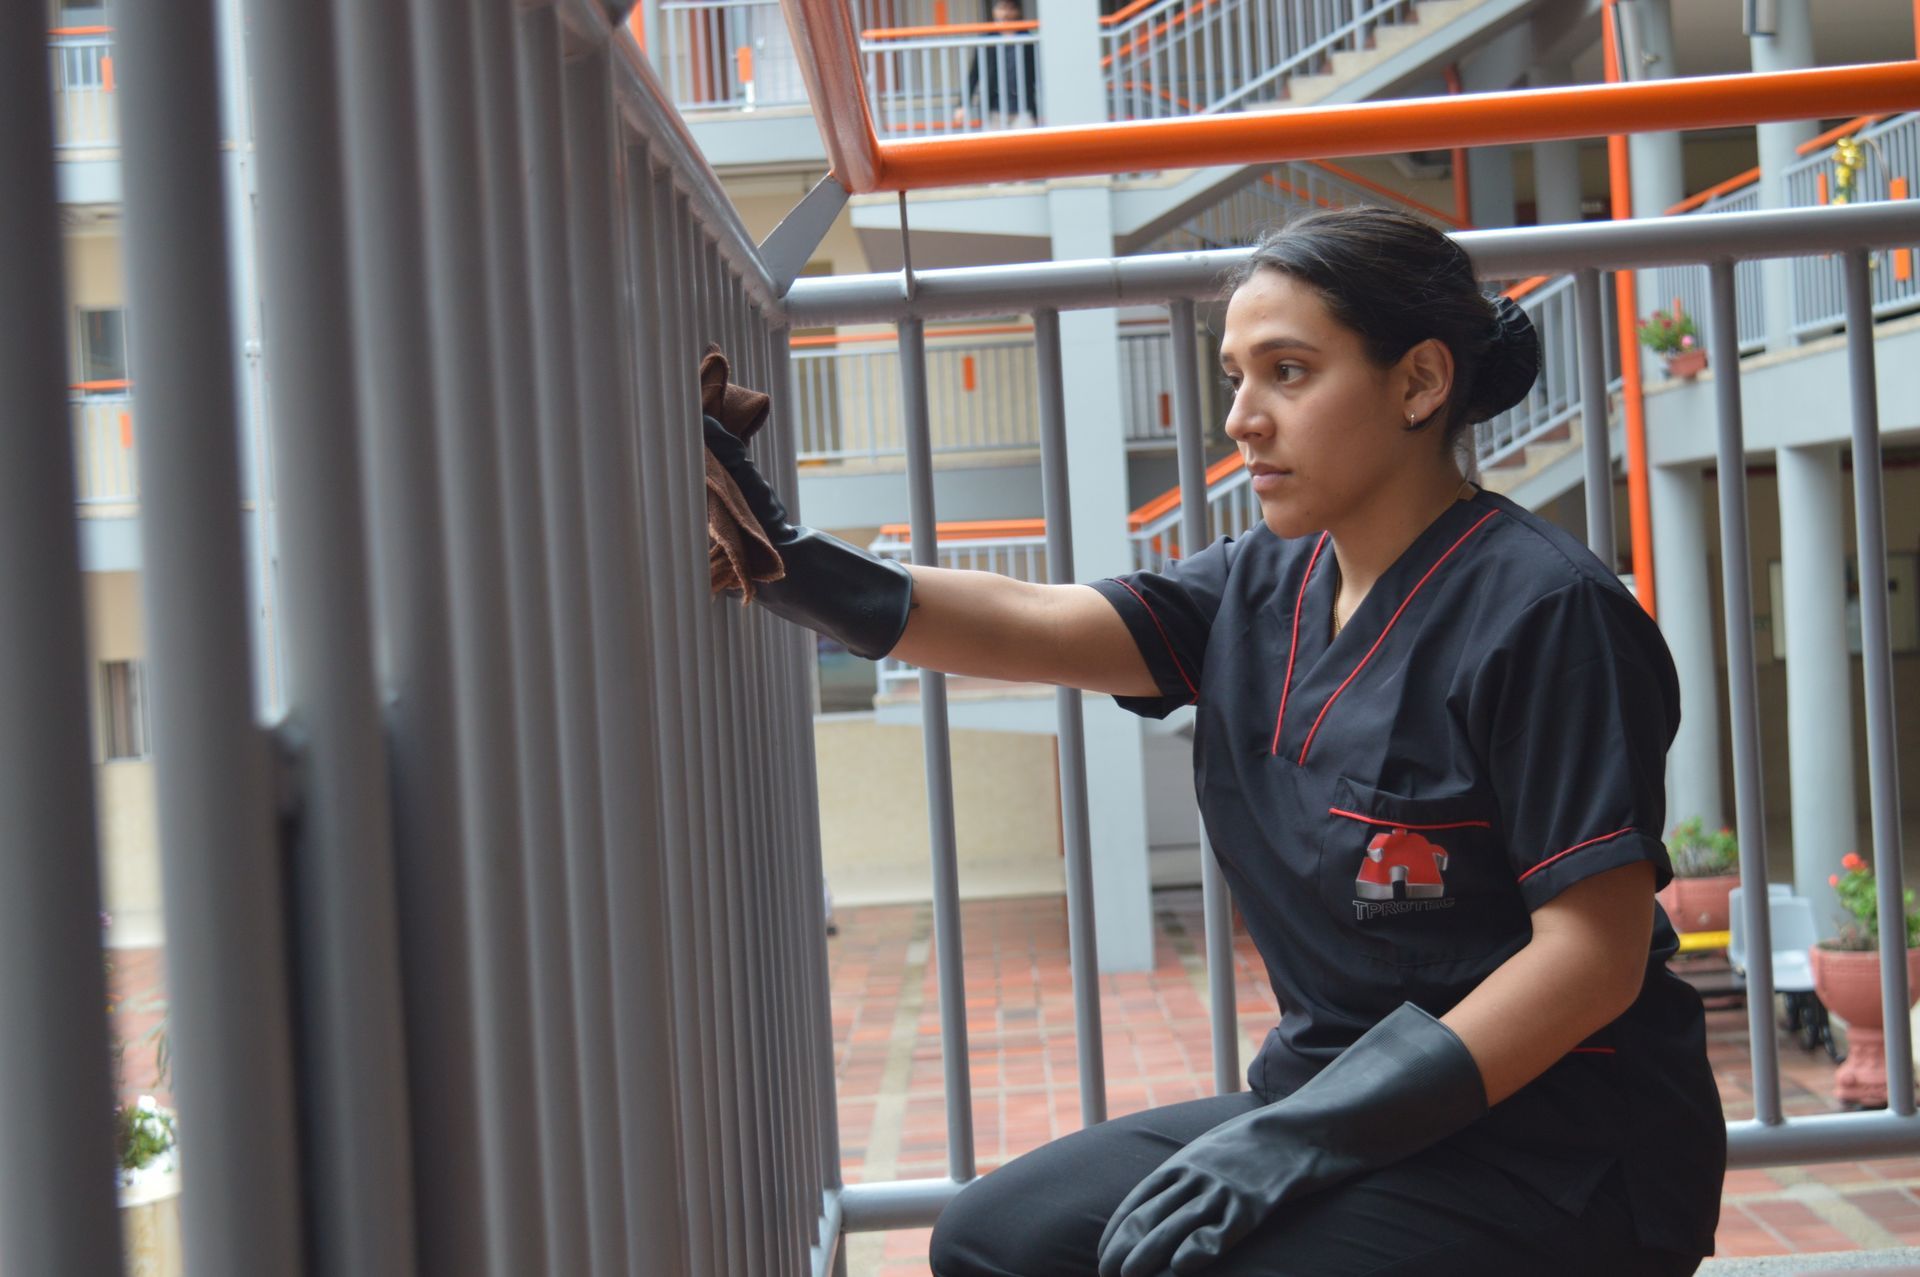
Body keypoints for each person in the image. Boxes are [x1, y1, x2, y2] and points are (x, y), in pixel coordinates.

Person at [702, 206, 1727, 1275]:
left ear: (1420, 383)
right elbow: (1038, 620)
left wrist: (1298, 1139)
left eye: (1288, 371)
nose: (1241, 418)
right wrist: (799, 564)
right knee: (993, 1241)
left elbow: (1593, 958)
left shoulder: (1548, 609)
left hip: (1553, 1147)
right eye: (1236, 374)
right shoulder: (1261, 584)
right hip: (1334, 1094)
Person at [952, 0, 1039, 130]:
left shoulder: (1028, 39)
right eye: (1002, 8)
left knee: (1027, 148)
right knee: (996, 149)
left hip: (1024, 108)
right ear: (994, 11)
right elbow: (974, 73)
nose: (1006, 14)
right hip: (994, 109)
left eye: (1010, 9)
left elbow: (1038, 72)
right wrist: (963, 104)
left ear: (1018, 12)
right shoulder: (987, 40)